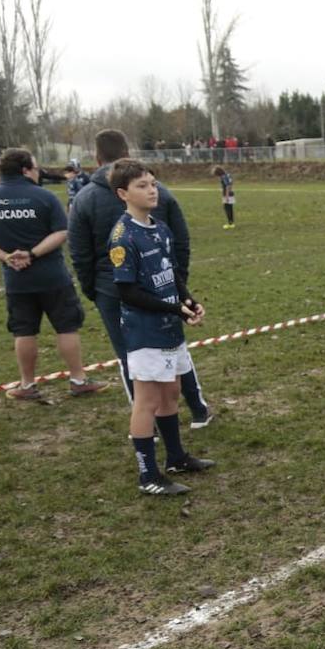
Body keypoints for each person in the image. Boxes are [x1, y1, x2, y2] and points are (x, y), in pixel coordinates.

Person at [68, 129, 213, 426]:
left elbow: (79, 253)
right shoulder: (154, 191)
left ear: (97, 158)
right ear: (127, 153)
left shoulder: (83, 199)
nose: (150, 189)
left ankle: (157, 421)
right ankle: (189, 412)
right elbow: (182, 242)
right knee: (171, 348)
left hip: (119, 290)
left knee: (135, 356)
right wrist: (177, 282)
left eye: (150, 185)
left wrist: (93, 289)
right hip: (139, 289)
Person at [107, 158, 214, 496]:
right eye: (142, 186)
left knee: (171, 392)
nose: (152, 190)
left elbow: (172, 272)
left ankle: (176, 458)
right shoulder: (123, 237)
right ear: (123, 194)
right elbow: (127, 292)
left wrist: (188, 301)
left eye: (153, 184)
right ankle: (148, 475)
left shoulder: (161, 227)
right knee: (147, 400)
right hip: (145, 332)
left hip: (170, 327)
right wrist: (173, 308)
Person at [0, 148, 110, 400]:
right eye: (35, 168)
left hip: (16, 279)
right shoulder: (45, 197)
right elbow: (62, 232)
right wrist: (32, 254)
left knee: (23, 332)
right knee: (66, 328)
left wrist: (6, 257)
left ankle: (27, 385)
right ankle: (78, 380)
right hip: (52, 276)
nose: (38, 172)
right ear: (25, 170)